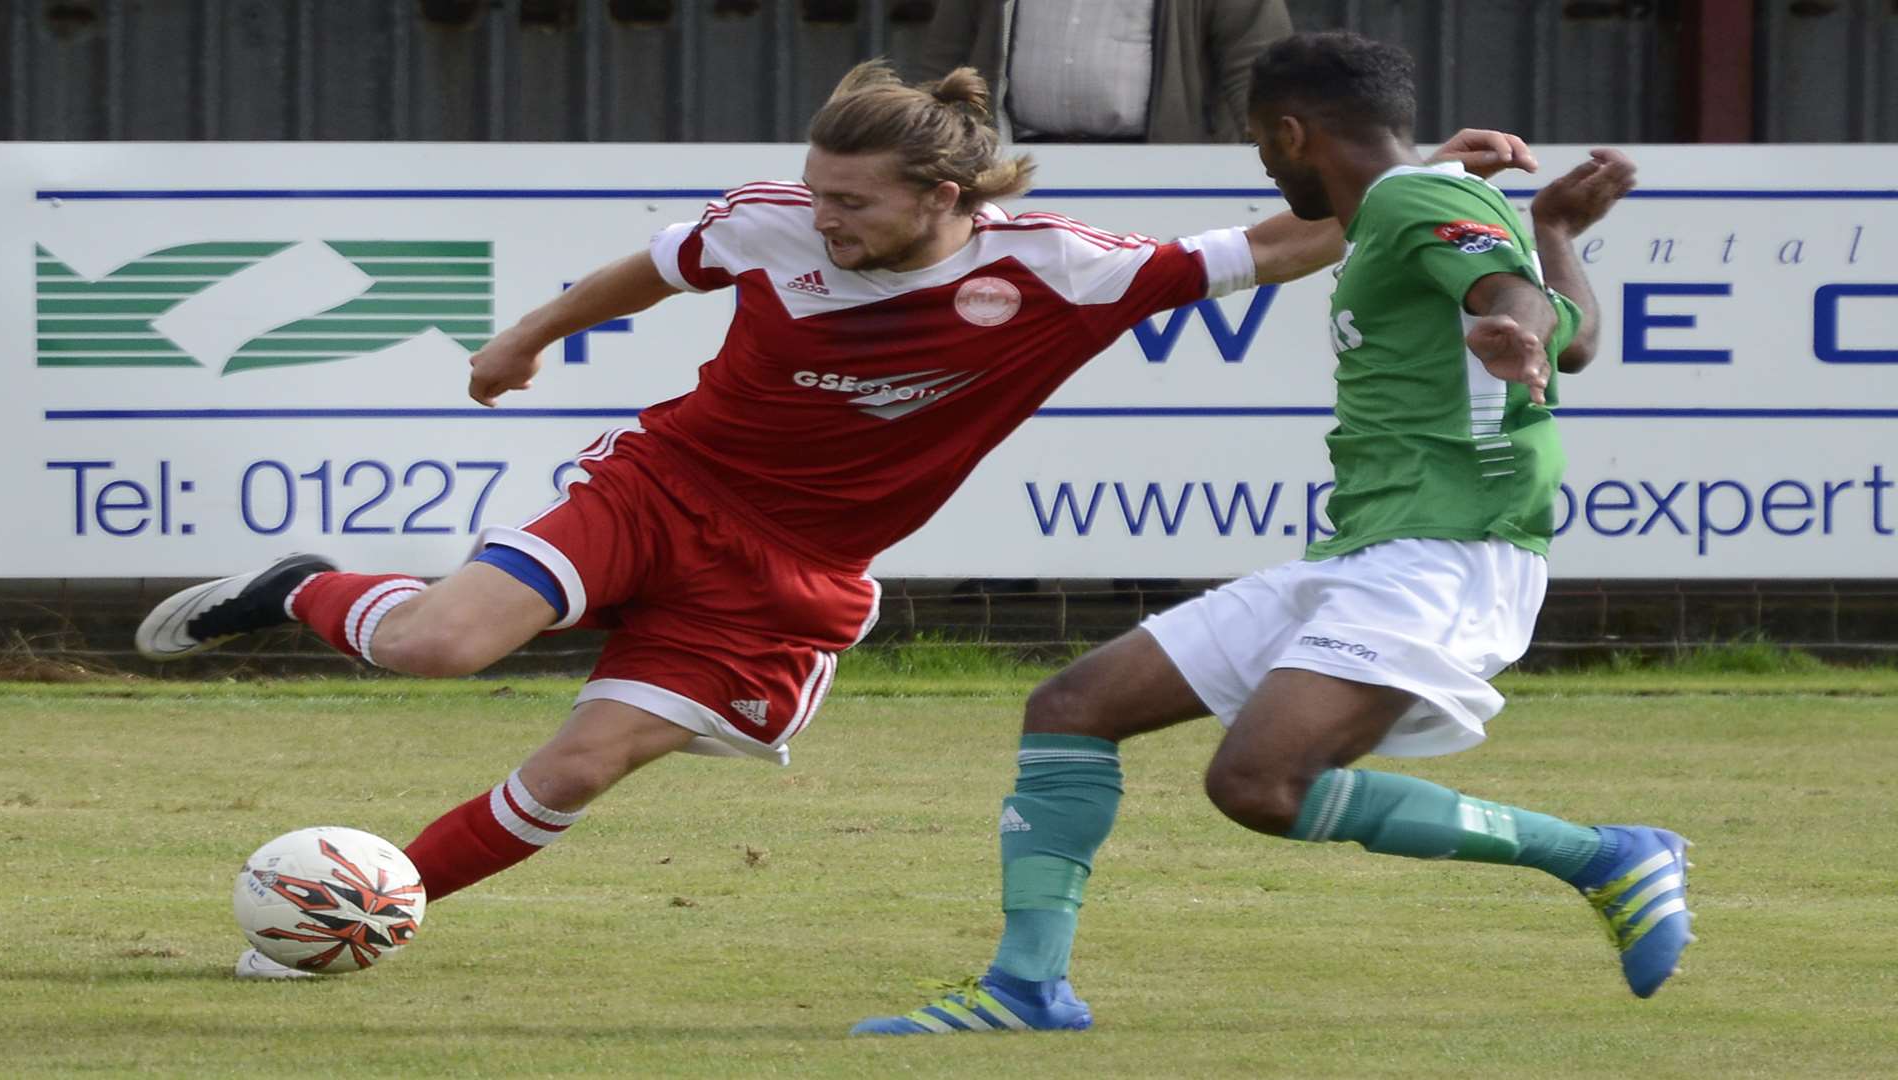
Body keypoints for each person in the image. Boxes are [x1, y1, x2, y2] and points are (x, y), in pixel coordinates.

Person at [135, 58, 1533, 980]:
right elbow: (652, 269)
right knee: (442, 647)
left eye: (850, 202)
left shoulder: (1062, 270)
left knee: (573, 774)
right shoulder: (769, 225)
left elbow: (1290, 241)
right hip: (667, 489)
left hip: (793, 578)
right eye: (813, 193)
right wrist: (528, 337)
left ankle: (373, 915)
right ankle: (295, 588)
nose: (821, 219)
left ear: (944, 196)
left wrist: (1417, 193)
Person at [853, 32, 1685, 1037]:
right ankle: (1027, 989)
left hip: (1449, 551)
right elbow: (1578, 336)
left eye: (1258, 142)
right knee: (1072, 706)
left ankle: (1605, 855)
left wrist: (1514, 319)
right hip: (1365, 552)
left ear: (1292, 132)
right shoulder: (1400, 205)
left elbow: (1515, 307)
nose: (1261, 163)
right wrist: (1553, 232)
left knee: (1260, 784)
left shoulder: (1418, 203)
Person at [912, 0, 1291, 143]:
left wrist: (1270, 159)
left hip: (1167, 170)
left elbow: (1260, 67)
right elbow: (946, 59)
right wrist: (930, 144)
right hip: (1013, 164)